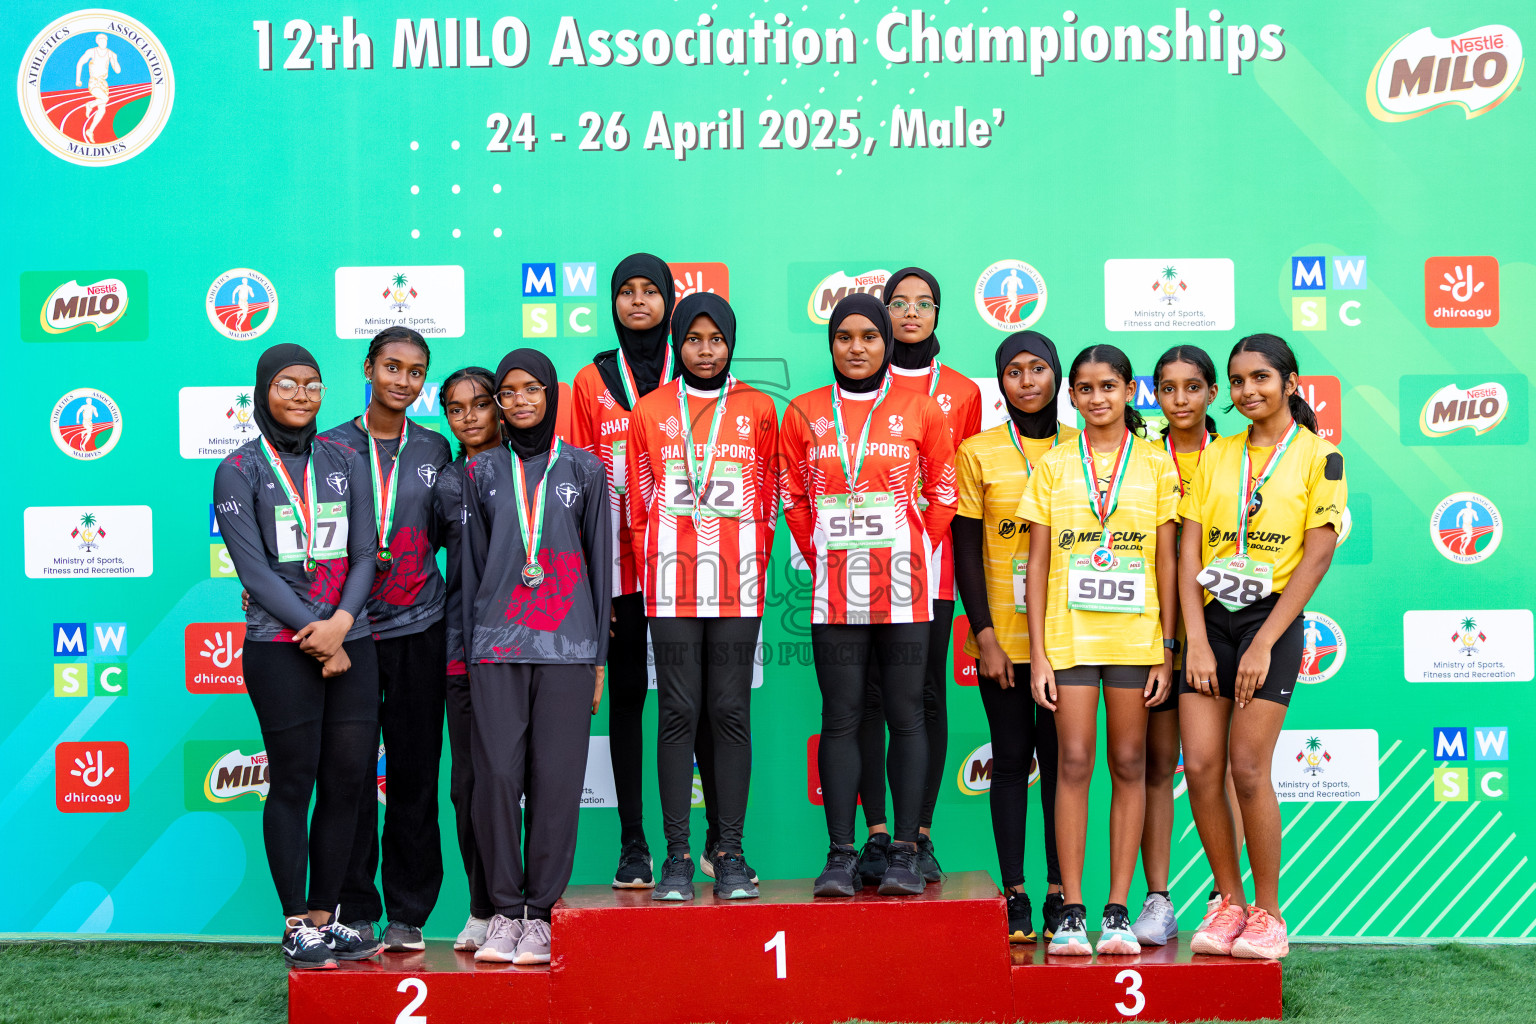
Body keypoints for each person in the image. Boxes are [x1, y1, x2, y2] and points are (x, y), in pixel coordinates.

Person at [212, 343, 384, 969]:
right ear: (264, 391)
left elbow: (366, 554)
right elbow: (254, 571)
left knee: (346, 783)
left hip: (352, 641)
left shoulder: (346, 459)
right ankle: (293, 923)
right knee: (292, 781)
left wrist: (340, 627)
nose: (302, 395)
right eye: (288, 384)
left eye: (313, 384)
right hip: (278, 648)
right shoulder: (239, 469)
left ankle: (324, 916)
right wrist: (316, 635)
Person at [780, 293, 957, 898]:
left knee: (907, 714)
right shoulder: (802, 413)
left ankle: (905, 849)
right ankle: (840, 854)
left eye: (869, 337)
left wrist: (912, 550)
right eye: (844, 337)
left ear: (887, 343)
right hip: (835, 594)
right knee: (842, 717)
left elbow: (944, 492)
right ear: (831, 344)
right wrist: (822, 556)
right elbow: (794, 500)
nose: (857, 348)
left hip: (906, 591)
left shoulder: (921, 409)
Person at [1181, 334, 1346, 961]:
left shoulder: (1319, 457)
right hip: (1210, 619)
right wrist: (1195, 638)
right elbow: (1190, 550)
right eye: (1240, 380)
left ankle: (1269, 913)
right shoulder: (1215, 454)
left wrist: (1265, 641)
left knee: (1247, 770)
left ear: (1290, 381)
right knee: (1200, 767)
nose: (1250, 391)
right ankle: (1228, 903)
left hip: (1269, 624)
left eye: (1262, 378)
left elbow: (1320, 551)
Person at [1018, 344, 1179, 956]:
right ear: (1073, 397)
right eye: (1083, 389)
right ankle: (1072, 910)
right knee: (1074, 763)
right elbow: (1036, 563)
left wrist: (1165, 649)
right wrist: (1037, 653)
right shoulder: (1054, 466)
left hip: (1135, 640)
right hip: (1069, 637)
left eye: (1108, 386)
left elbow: (1166, 561)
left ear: (1128, 391)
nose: (1096, 398)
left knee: (1130, 764)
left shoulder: (1157, 465)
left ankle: (1117, 908)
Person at [571, 254, 719, 888]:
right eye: (625, 292)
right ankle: (634, 844)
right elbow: (575, 481)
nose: (638, 303)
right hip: (619, 567)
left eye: (650, 292)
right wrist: (589, 581)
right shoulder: (589, 379)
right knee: (628, 702)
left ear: (668, 301)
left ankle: (718, 841)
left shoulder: (693, 369)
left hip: (688, 560)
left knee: (707, 703)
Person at [627, 293, 780, 901]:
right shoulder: (651, 409)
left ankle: (732, 853)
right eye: (694, 339)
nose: (706, 350)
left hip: (738, 581)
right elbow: (637, 500)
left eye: (717, 339)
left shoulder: (758, 407)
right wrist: (658, 559)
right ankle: (676, 859)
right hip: (670, 584)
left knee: (730, 711)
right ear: (677, 343)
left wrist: (752, 553)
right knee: (678, 713)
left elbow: (768, 492)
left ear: (731, 343)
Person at [462, 350, 611, 964]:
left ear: (551, 393)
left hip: (569, 648)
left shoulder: (585, 469)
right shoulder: (480, 473)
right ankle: (503, 910)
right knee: (496, 778)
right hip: (496, 647)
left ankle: (542, 914)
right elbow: (471, 569)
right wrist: (471, 648)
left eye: (531, 389)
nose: (520, 400)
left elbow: (601, 566)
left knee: (555, 782)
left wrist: (598, 654)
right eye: (508, 392)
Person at [316, 327, 453, 953]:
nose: (403, 380)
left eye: (416, 371)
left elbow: (455, 533)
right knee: (348, 775)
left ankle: (408, 910)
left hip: (421, 627)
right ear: (368, 368)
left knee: (416, 774)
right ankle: (355, 906)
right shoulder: (329, 448)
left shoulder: (435, 446)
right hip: (352, 635)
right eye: (392, 367)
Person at [855, 267, 981, 886]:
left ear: (938, 313)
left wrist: (917, 551)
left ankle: (920, 834)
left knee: (926, 697)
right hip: (855, 571)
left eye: (923, 303)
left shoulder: (960, 391)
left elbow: (962, 490)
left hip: (930, 572)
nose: (910, 313)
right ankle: (877, 837)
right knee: (868, 699)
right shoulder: (850, 388)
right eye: (897, 303)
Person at [952, 331, 1075, 943]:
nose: (1026, 381)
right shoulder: (977, 452)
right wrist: (986, 635)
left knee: (1061, 765)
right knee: (1010, 761)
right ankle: (1016, 895)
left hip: (1070, 641)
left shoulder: (1087, 448)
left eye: (1038, 369)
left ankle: (1060, 892)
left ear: (1057, 375)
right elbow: (967, 550)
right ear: (1000, 382)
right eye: (1013, 372)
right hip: (1003, 639)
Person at [1131, 344, 1233, 948]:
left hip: (1230, 627)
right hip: (1155, 634)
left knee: (1232, 771)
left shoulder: (1236, 456)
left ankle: (1231, 900)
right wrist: (1167, 641)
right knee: (1157, 766)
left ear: (1211, 392)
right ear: (1154, 395)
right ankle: (1159, 898)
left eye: (1192, 387)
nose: (1180, 399)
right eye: (1167, 389)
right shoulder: (1141, 458)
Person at [434, 366, 505, 952]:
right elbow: (393, 548)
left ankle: (523, 908)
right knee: (469, 786)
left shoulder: (539, 468)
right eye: (456, 408)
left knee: (518, 783)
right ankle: (483, 907)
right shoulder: (446, 482)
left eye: (481, 403)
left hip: (529, 652)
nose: (470, 416)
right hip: (461, 651)